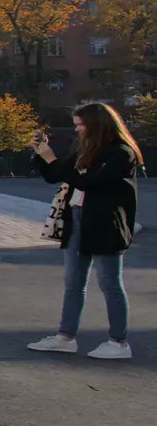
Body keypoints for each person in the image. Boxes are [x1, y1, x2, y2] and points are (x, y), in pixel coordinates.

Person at [28, 103, 140, 360]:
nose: (78, 130)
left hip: (105, 223)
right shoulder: (83, 148)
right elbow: (56, 175)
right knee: (73, 283)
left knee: (110, 283)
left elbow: (88, 182)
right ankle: (65, 337)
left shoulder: (121, 153)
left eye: (81, 125)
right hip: (76, 218)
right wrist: (41, 153)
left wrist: (52, 159)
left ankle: (119, 342)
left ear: (98, 125)